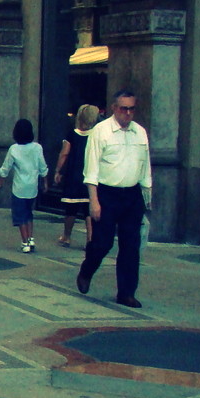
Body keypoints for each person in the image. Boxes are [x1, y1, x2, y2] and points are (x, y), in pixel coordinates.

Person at [76, 89, 152, 308]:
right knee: (103, 242)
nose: (127, 113)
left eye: (131, 109)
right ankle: (87, 270)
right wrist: (94, 201)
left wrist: (147, 193)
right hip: (107, 193)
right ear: (114, 108)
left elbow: (145, 165)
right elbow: (91, 169)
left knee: (131, 245)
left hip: (132, 194)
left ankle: (126, 292)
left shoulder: (140, 132)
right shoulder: (101, 132)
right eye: (123, 108)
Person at [0, 118, 48, 252]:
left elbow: (5, 168)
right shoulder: (37, 147)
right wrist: (45, 182)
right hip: (32, 187)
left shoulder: (14, 149)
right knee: (29, 213)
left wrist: (0, 183)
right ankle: (31, 238)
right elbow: (43, 167)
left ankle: (25, 242)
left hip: (19, 188)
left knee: (20, 216)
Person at [53, 104, 98, 248]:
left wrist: (58, 170)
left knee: (71, 208)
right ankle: (90, 238)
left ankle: (66, 236)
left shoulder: (72, 135)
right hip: (90, 175)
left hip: (73, 175)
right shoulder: (96, 135)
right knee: (88, 210)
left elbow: (64, 153)